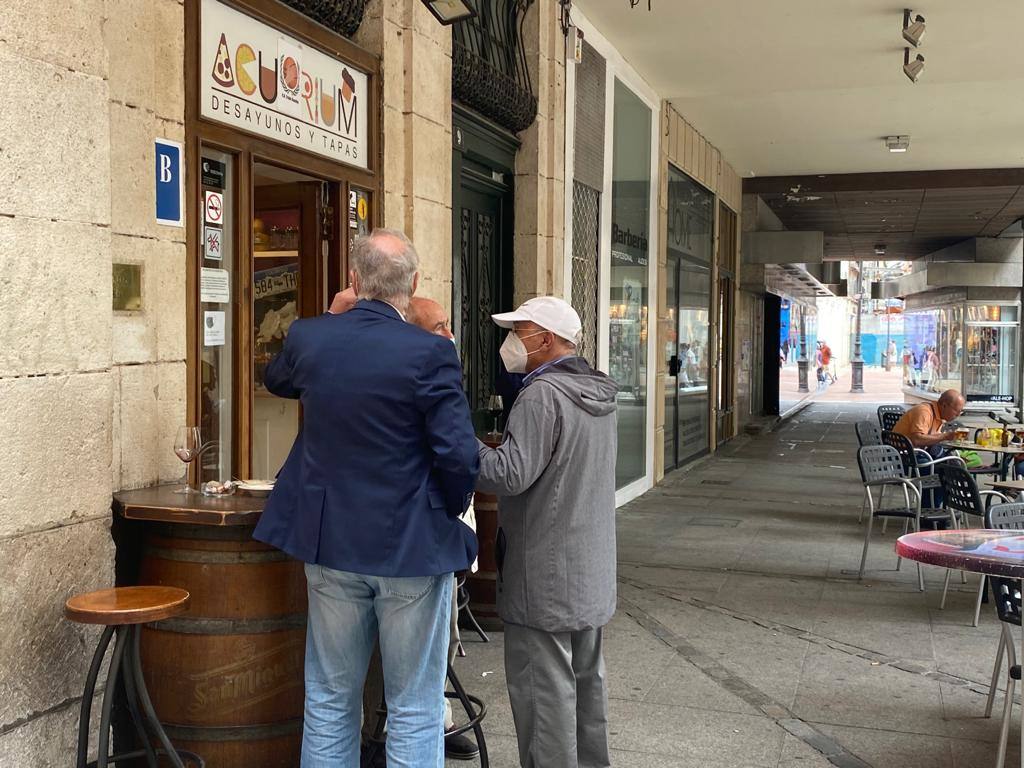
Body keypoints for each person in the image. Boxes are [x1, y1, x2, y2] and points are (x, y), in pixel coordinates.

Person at [254, 228, 479, 768]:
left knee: (330, 698)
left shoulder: (311, 337)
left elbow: (277, 380)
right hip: (409, 545)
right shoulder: (431, 352)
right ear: (415, 284)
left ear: (353, 281)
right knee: (414, 706)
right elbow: (459, 456)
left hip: (331, 544)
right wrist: (444, 513)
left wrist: (333, 319)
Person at [476, 297, 618, 768]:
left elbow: (509, 474)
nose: (513, 341)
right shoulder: (597, 391)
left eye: (521, 331)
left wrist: (461, 444)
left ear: (547, 338)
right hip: (588, 567)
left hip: (544, 571)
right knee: (584, 689)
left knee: (544, 697)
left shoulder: (541, 394)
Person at [356, 295, 480, 764]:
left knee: (440, 641)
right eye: (438, 326)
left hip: (434, 533)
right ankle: (379, 733)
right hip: (408, 537)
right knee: (395, 668)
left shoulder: (435, 364)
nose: (448, 335)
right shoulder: (405, 370)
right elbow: (452, 453)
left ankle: (439, 721)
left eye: (449, 324)